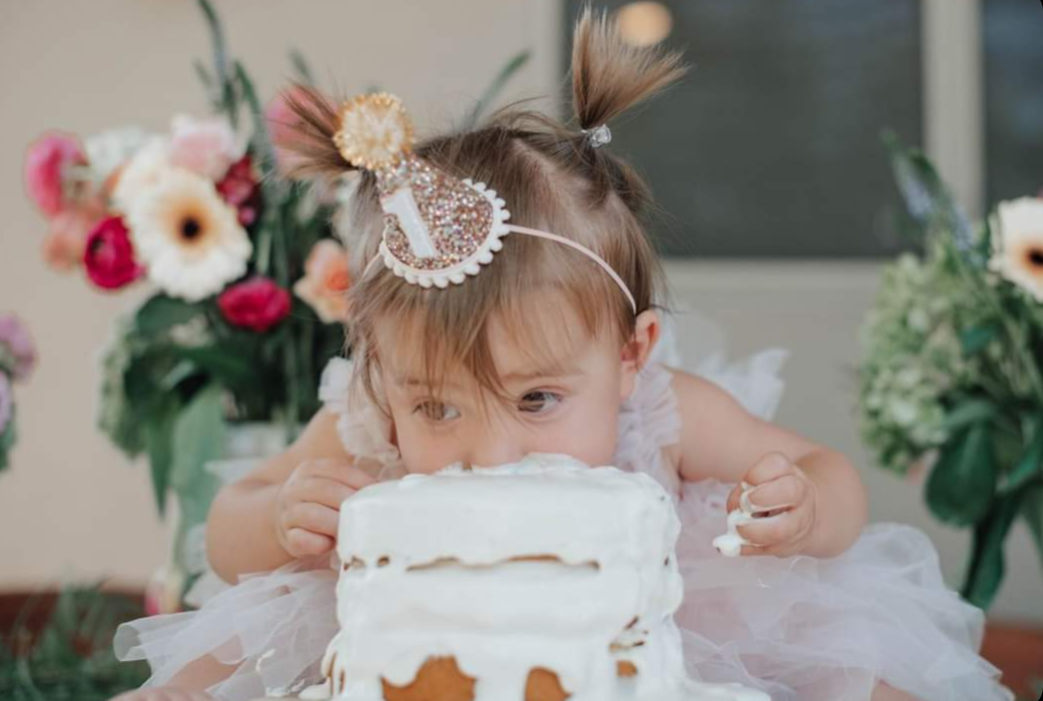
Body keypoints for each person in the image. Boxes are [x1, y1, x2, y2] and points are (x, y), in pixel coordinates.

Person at [112, 10, 1012, 701]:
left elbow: (828, 472)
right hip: (420, 645)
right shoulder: (371, 423)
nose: (485, 452)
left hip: (656, 629)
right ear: (384, 368)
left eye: (536, 400)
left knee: (855, 676)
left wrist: (804, 505)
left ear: (630, 355)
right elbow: (231, 523)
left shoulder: (666, 411)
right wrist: (278, 524)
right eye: (436, 406)